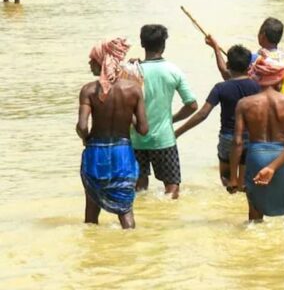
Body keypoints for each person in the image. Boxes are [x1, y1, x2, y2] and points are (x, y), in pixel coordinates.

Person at [228, 55, 284, 227]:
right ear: (279, 79)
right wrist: (272, 167)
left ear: (258, 79)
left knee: (255, 212)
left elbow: (237, 142)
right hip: (282, 157)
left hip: (255, 156)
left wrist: (234, 177)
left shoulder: (244, 104)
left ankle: (256, 251)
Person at [77, 38, 148, 229]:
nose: (90, 63)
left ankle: (93, 251)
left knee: (91, 210)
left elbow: (82, 126)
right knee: (125, 209)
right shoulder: (133, 89)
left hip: (96, 153)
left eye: (92, 60)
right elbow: (143, 129)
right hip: (123, 153)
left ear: (101, 62)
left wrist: (86, 139)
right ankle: (130, 247)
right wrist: (128, 115)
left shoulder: (89, 90)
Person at [175, 37, 259, 186]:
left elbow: (202, 114)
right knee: (243, 183)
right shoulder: (257, 87)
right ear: (249, 67)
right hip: (251, 137)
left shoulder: (221, 88)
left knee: (226, 179)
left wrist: (178, 132)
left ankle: (229, 198)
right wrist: (216, 47)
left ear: (228, 65)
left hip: (228, 138)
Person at [131, 25, 198, 199]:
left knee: (139, 186)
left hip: (136, 138)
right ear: (163, 45)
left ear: (142, 43)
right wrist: (171, 119)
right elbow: (192, 105)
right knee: (172, 186)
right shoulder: (173, 71)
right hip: (164, 139)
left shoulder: (132, 71)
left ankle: (143, 220)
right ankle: (168, 222)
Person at [213, 17, 284, 98]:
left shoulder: (254, 59)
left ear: (263, 35)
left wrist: (216, 48)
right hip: (282, 111)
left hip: (257, 112)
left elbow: (229, 76)